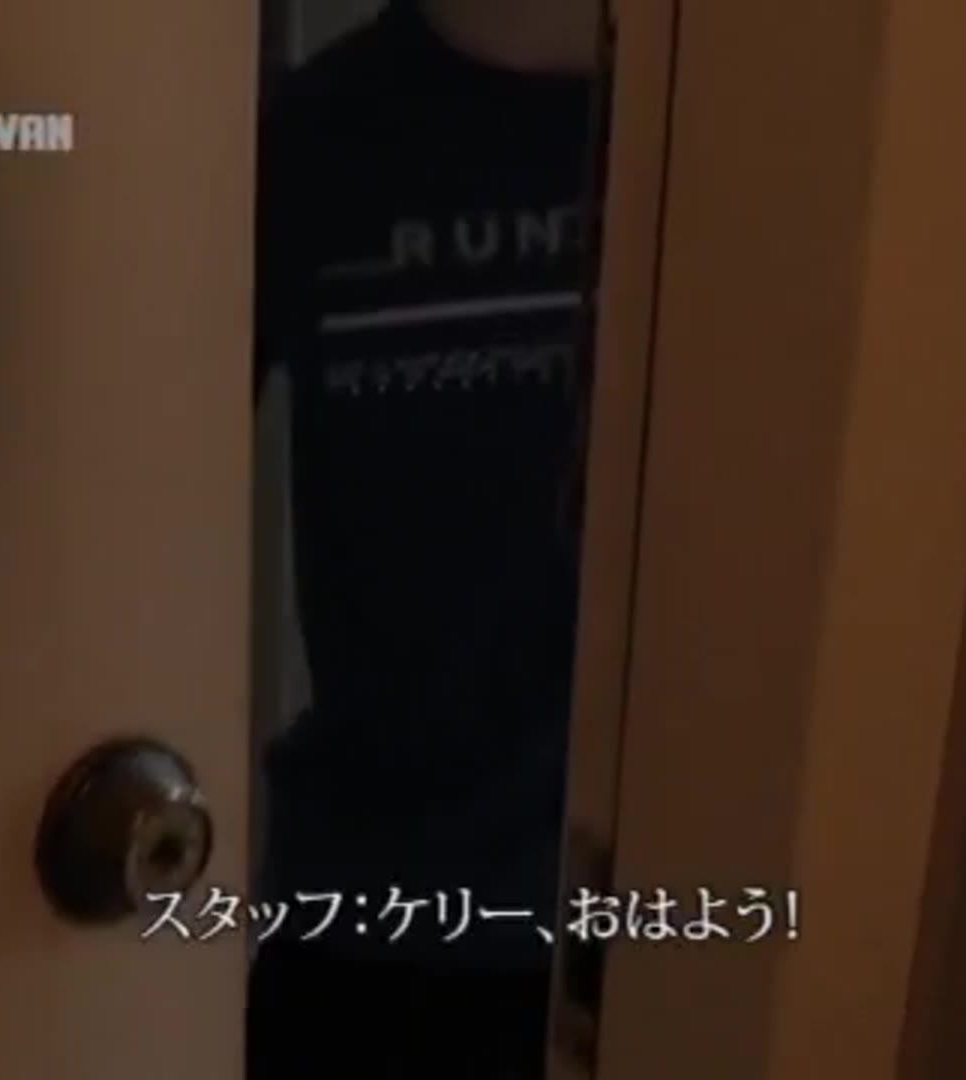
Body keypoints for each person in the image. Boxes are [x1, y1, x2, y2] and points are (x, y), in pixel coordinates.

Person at [246, 0, 603, 1075]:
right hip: (370, 916)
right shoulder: (313, 138)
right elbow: (126, 501)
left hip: (667, 908)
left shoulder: (742, 143)